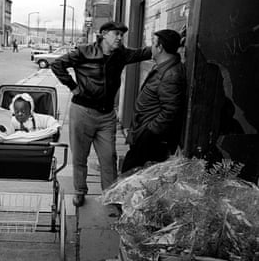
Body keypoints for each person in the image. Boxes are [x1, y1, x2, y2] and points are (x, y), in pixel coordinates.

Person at [51, 21, 152, 207]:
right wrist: (73, 87)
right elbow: (57, 65)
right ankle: (80, 191)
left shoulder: (121, 55)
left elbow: (144, 53)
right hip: (82, 112)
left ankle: (111, 195)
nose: (120, 38)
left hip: (106, 115)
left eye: (122, 35)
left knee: (109, 156)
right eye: (116, 34)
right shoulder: (84, 51)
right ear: (104, 33)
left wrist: (175, 41)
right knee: (80, 157)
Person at [121, 29, 186, 173]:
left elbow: (170, 111)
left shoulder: (170, 74)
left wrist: (149, 133)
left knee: (129, 175)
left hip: (150, 140)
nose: (151, 47)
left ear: (160, 47)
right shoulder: (164, 67)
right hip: (143, 134)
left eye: (153, 43)